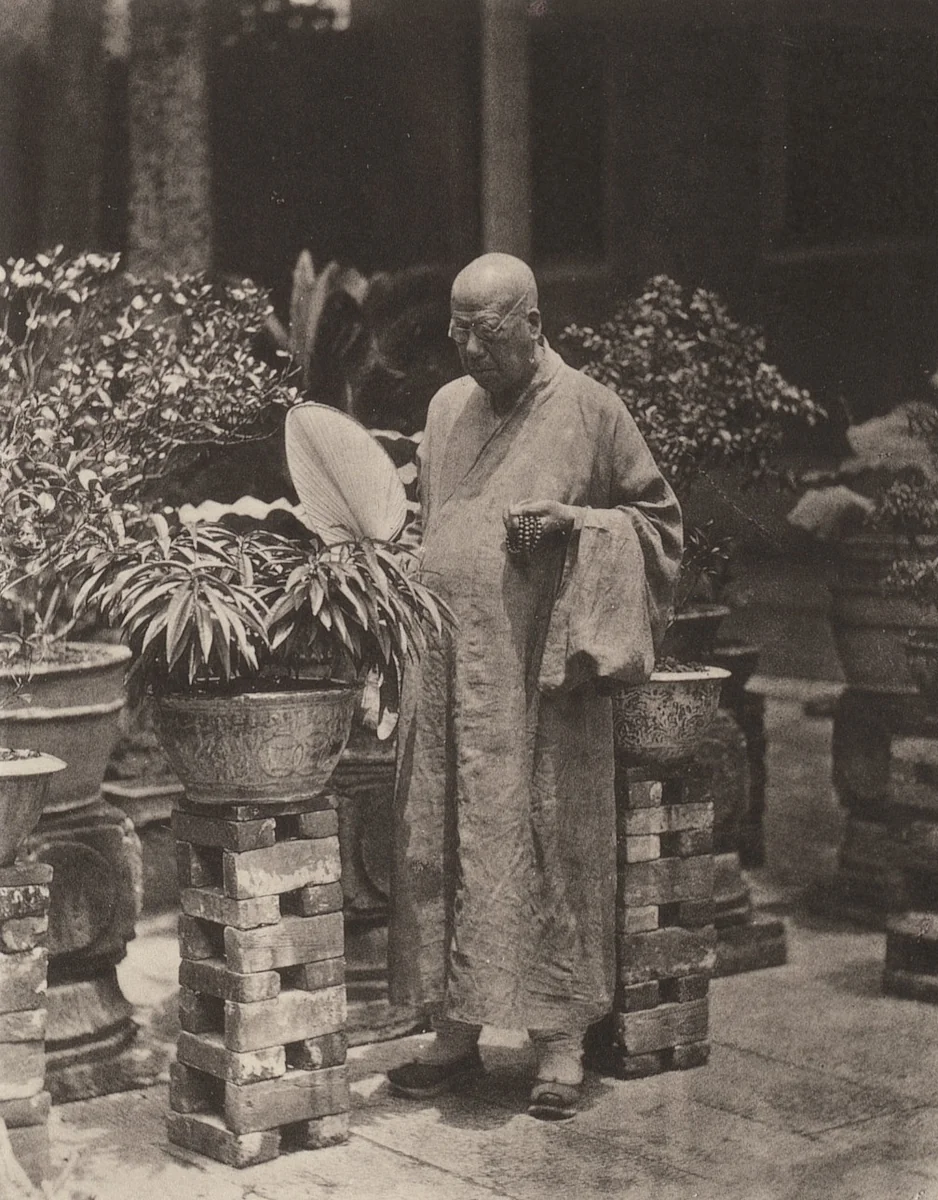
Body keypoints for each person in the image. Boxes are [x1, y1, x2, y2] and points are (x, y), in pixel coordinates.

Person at [386, 253, 682, 1120]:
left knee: (552, 840)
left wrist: (577, 526)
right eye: (455, 327)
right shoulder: (447, 409)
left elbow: (658, 524)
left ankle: (560, 1042)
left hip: (542, 678)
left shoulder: (591, 409)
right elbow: (429, 522)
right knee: (442, 832)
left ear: (533, 325)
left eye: (484, 330)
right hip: (449, 671)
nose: (464, 346)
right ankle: (455, 1026)